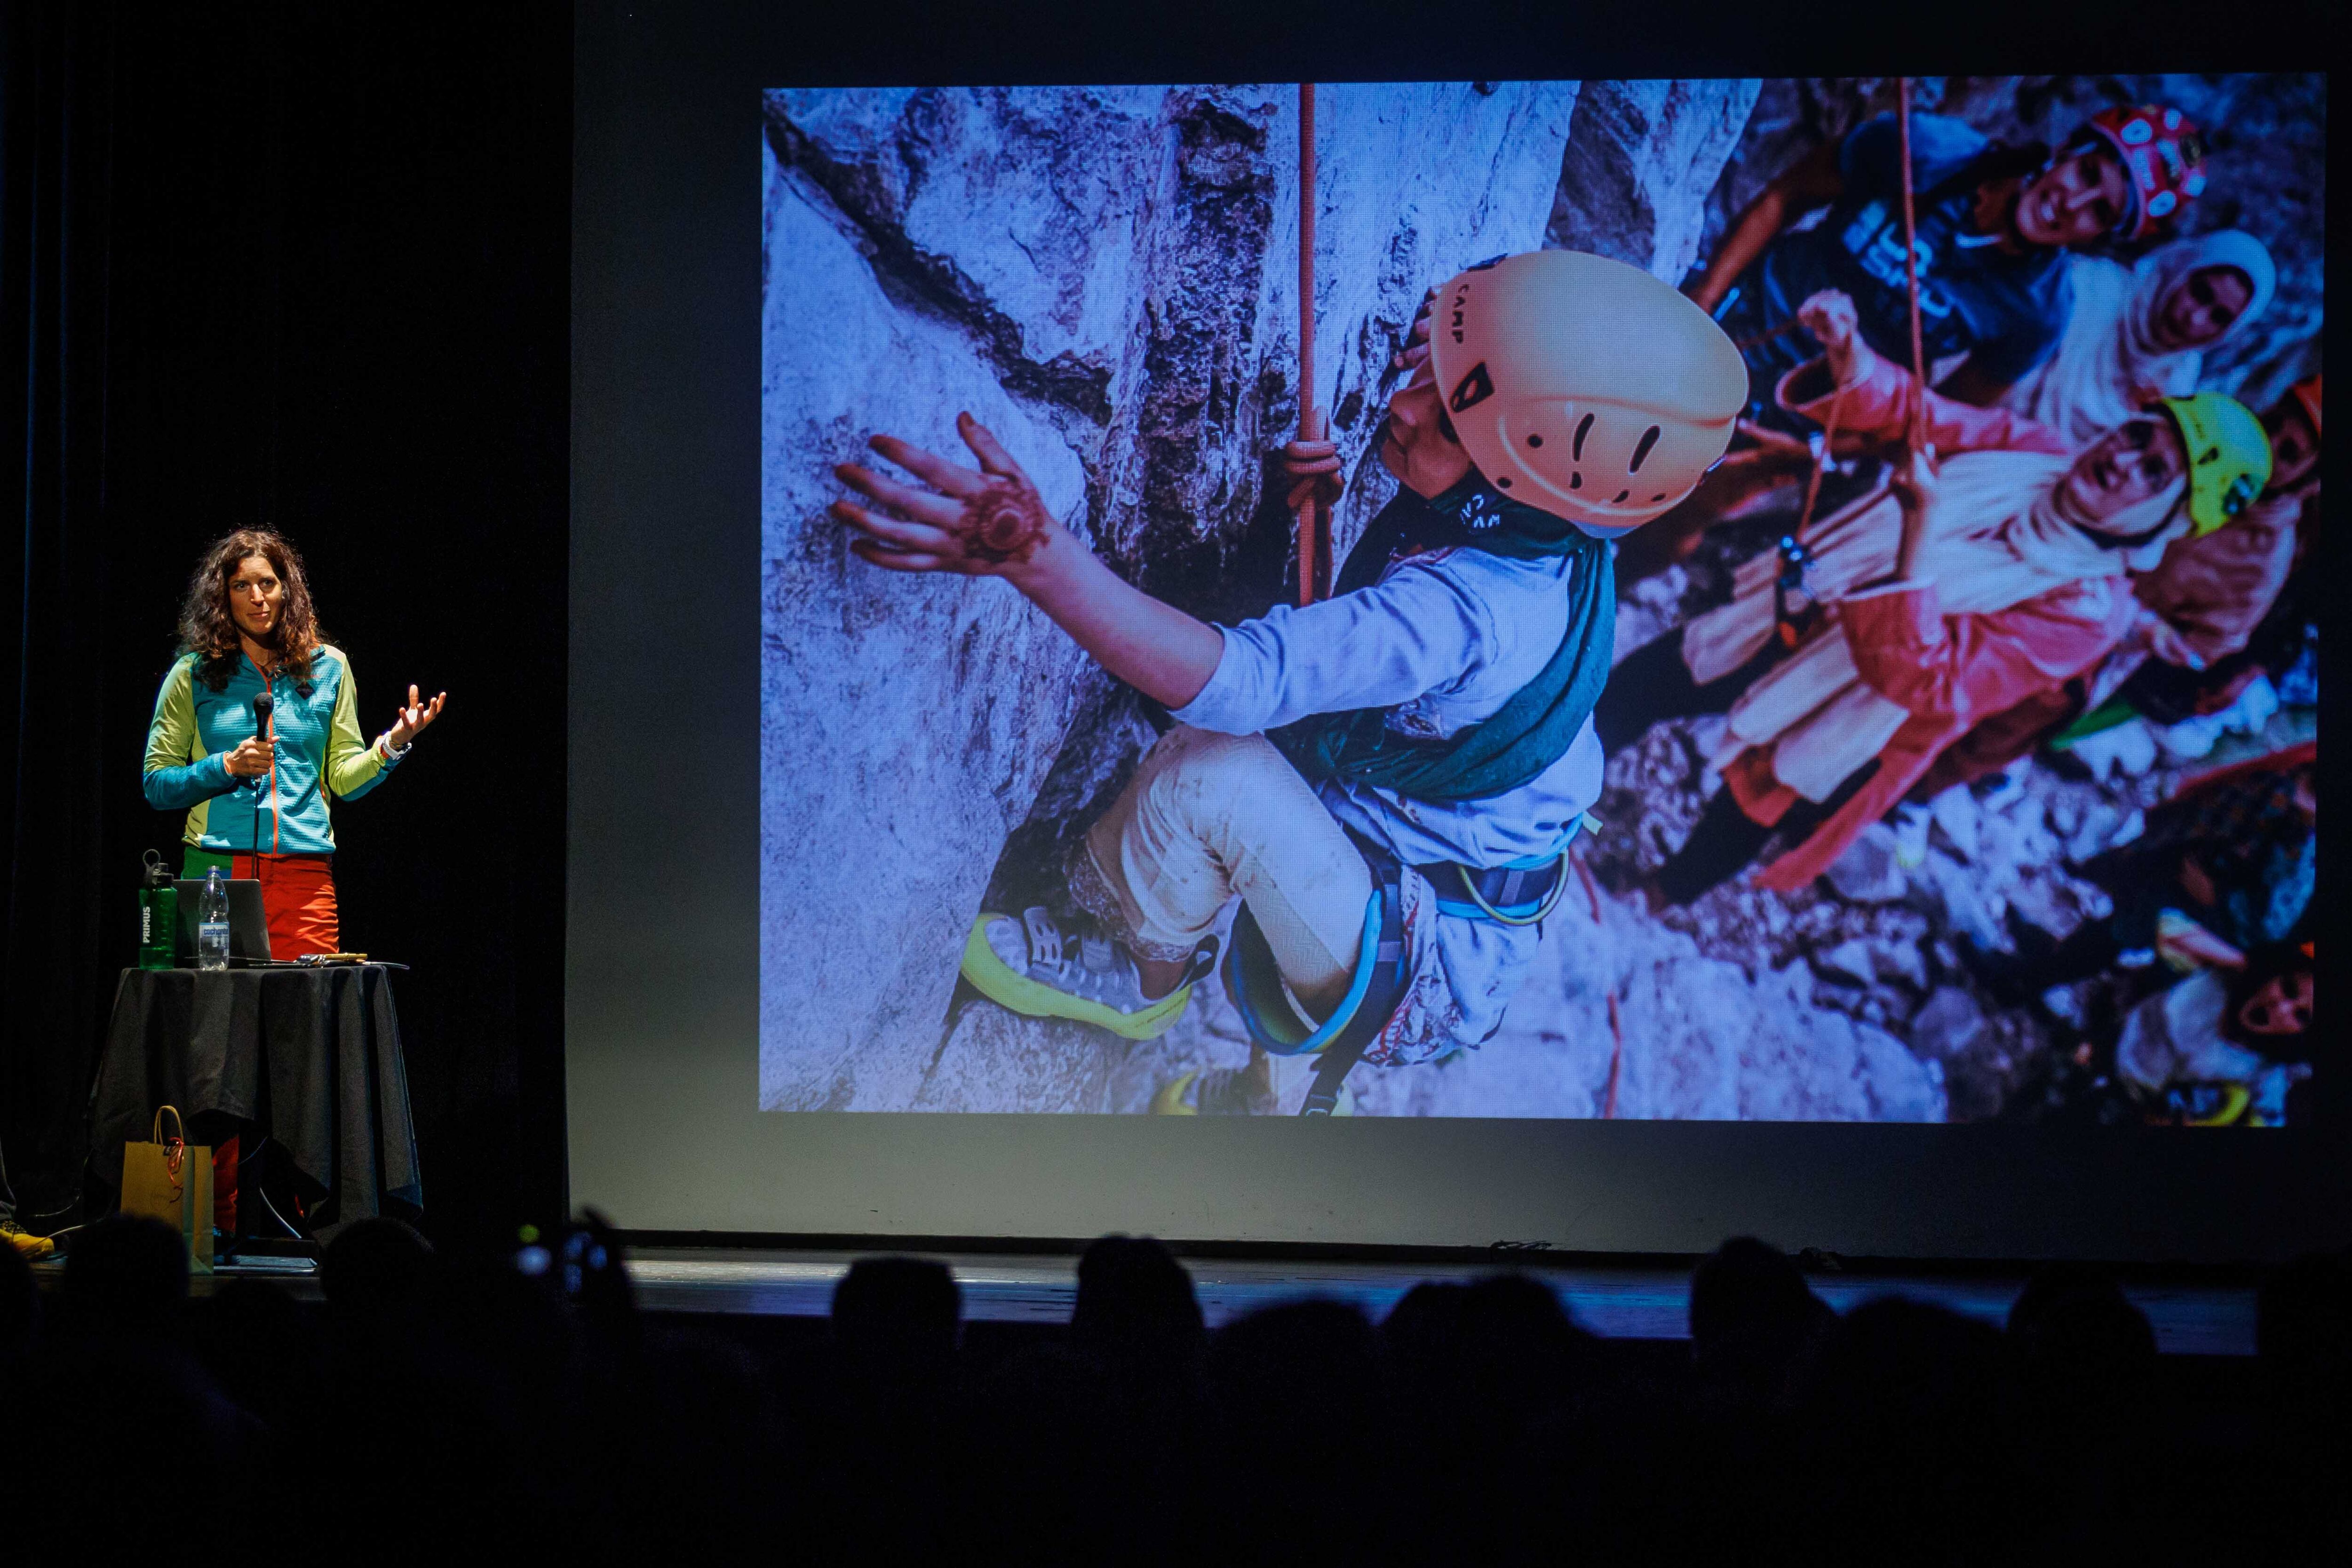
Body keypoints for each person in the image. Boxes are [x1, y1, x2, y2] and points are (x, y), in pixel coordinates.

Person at [833, 251, 1745, 1113]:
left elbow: (1245, 684)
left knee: (1213, 771)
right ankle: (1277, 1094)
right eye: (1428, 368)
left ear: (1513, 476)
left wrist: (1037, 557)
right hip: (1455, 891)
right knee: (1295, 808)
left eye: (1448, 414)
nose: (1405, 400)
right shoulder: (1558, 529)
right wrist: (1302, 516)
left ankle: (1140, 977)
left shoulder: (1461, 613)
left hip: (1421, 947)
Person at [1594, 287, 2267, 908]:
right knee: (1644, 684)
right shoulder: (2038, 451)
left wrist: (1918, 531)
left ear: (2167, 520)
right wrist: (1850, 352)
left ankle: (1657, 893)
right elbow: (1925, 416)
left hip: (1858, 706)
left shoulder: (2089, 611)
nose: (2123, 459)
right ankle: (1543, 795)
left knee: (1750, 803)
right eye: (2139, 436)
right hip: (1800, 606)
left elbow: (1936, 684)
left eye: (2153, 473)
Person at [1907, 373, 2318, 798]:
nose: (2270, 449)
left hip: (2085, 652)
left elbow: (2208, 646)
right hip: (2030, 570)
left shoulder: (2263, 558)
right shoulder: (2202, 441)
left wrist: (2141, 625)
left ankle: (1900, 794)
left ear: (2308, 478)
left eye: (2289, 453)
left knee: (1973, 727)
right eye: (2272, 427)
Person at [1691, 104, 2208, 421]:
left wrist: (1815, 453)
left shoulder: (2038, 313)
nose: (2071, 202)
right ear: (2067, 149)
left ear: (2100, 239)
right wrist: (1702, 302)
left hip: (1807, 408)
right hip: (1741, 314)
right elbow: (1786, 197)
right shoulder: (1931, 150)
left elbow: (1932, 414)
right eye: (2087, 173)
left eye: (2099, 211)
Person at [143, 529, 446, 959]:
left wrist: (393, 744)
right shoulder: (193, 673)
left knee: (306, 1016)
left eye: (267, 583)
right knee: (219, 1020)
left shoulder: (330, 668)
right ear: (223, 596)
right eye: (241, 586)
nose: (257, 597)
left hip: (304, 878)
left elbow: (342, 778)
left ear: (287, 590)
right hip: (218, 871)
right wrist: (225, 766)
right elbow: (157, 784)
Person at [2000, 230, 2275, 450]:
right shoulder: (2091, 287)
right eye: (2200, 293)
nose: (2196, 319)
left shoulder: (2178, 381)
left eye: (2219, 318)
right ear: (2180, 268)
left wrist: (2143, 421)